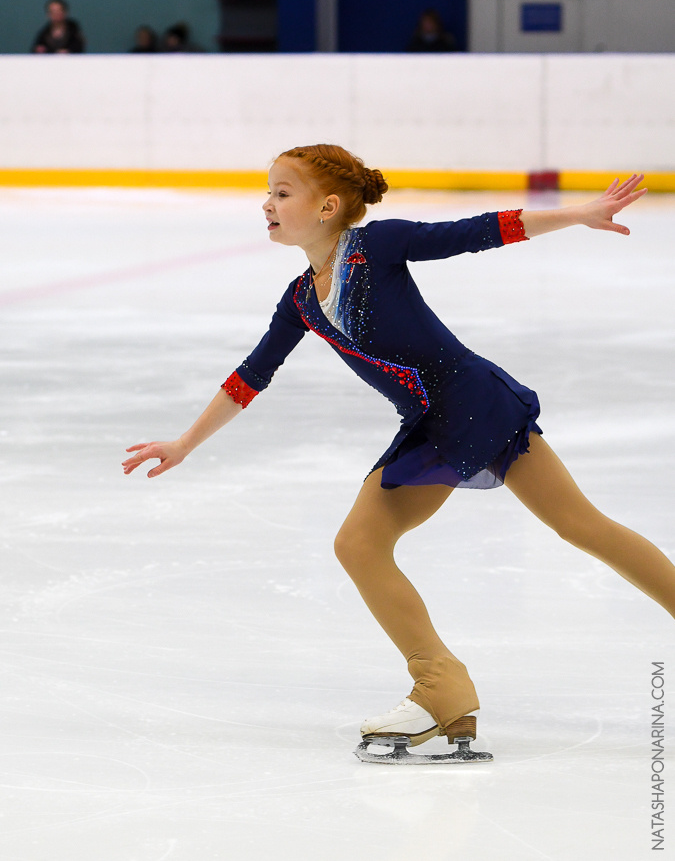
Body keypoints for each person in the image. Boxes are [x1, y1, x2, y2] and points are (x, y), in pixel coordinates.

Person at [123, 144, 674, 763]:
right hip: (442, 416)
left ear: (328, 207)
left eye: (281, 192)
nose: (267, 203)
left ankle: (441, 685)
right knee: (569, 527)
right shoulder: (303, 298)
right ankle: (441, 685)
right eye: (268, 192)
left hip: (466, 403)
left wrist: (579, 213)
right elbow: (252, 375)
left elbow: (475, 232)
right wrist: (184, 443)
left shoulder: (374, 247)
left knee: (559, 528)